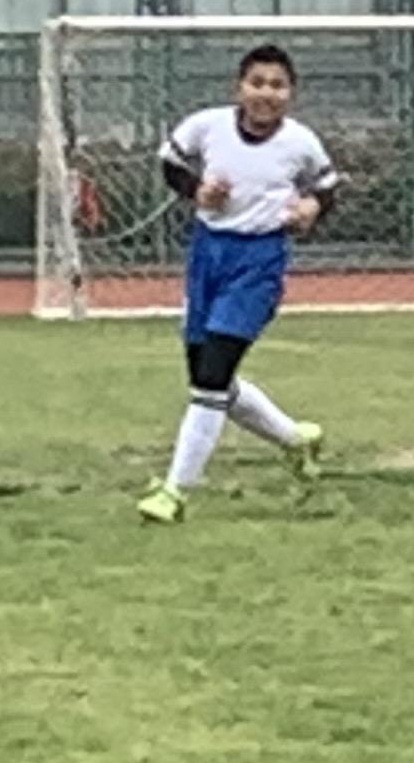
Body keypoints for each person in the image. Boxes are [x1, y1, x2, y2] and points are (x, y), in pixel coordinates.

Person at [136, 41, 337, 523]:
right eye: (257, 83)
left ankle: (174, 493)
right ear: (239, 88)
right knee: (208, 377)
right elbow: (171, 163)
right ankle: (294, 439)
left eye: (278, 85)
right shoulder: (207, 126)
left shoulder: (300, 143)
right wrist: (197, 191)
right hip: (207, 255)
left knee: (211, 377)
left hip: (258, 261)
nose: (266, 93)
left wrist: (311, 207)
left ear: (291, 93)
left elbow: (328, 186)